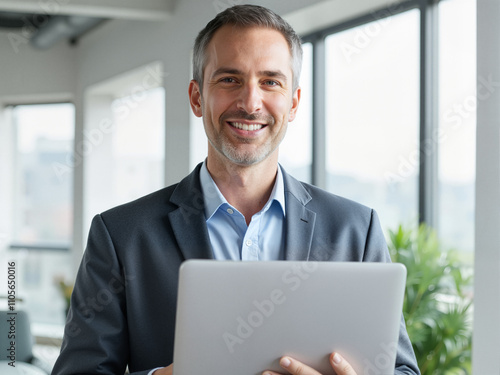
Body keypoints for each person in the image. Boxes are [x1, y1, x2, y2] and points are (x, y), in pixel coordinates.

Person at [52, 4, 420, 375]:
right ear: (197, 98)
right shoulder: (122, 236)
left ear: (292, 103)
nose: (250, 102)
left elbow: (402, 370)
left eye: (271, 81)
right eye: (229, 79)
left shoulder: (355, 230)